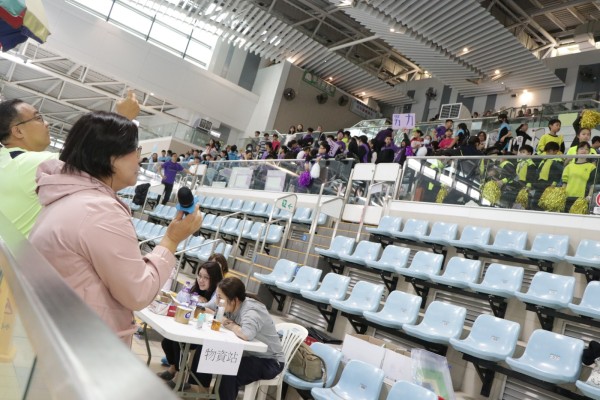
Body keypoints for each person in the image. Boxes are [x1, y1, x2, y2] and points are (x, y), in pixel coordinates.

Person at [29, 111, 203, 344]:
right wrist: (171, 240)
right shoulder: (101, 211)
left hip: (60, 333)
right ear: (111, 157)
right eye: (136, 151)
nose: (139, 160)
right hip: (88, 344)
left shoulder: (67, 198)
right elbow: (138, 292)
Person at [0, 91, 140, 237]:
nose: (47, 123)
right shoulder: (34, 164)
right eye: (38, 118)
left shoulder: (8, 161)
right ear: (18, 131)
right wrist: (124, 119)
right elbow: (93, 155)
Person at [196, 277, 284, 400]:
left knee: (230, 369)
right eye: (216, 296)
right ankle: (202, 393)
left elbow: (246, 334)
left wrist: (228, 323)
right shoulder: (228, 303)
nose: (217, 301)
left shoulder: (251, 309)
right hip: (247, 354)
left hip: (270, 361)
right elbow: (206, 306)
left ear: (234, 300)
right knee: (205, 349)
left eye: (220, 298)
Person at [159, 261, 224, 391]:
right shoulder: (197, 288)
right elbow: (182, 298)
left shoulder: (217, 292)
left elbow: (209, 308)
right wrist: (196, 300)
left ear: (215, 279)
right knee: (167, 341)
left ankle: (180, 376)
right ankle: (173, 369)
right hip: (194, 328)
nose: (201, 280)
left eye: (206, 277)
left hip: (207, 334)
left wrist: (197, 304)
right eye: (199, 276)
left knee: (179, 342)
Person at [562, 141, 597, 211]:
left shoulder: (592, 167)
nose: (584, 151)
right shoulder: (568, 167)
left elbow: (592, 184)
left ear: (589, 152)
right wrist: (562, 196)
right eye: (581, 148)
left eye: (587, 149)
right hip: (567, 198)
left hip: (582, 199)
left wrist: (589, 196)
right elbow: (564, 183)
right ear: (576, 151)